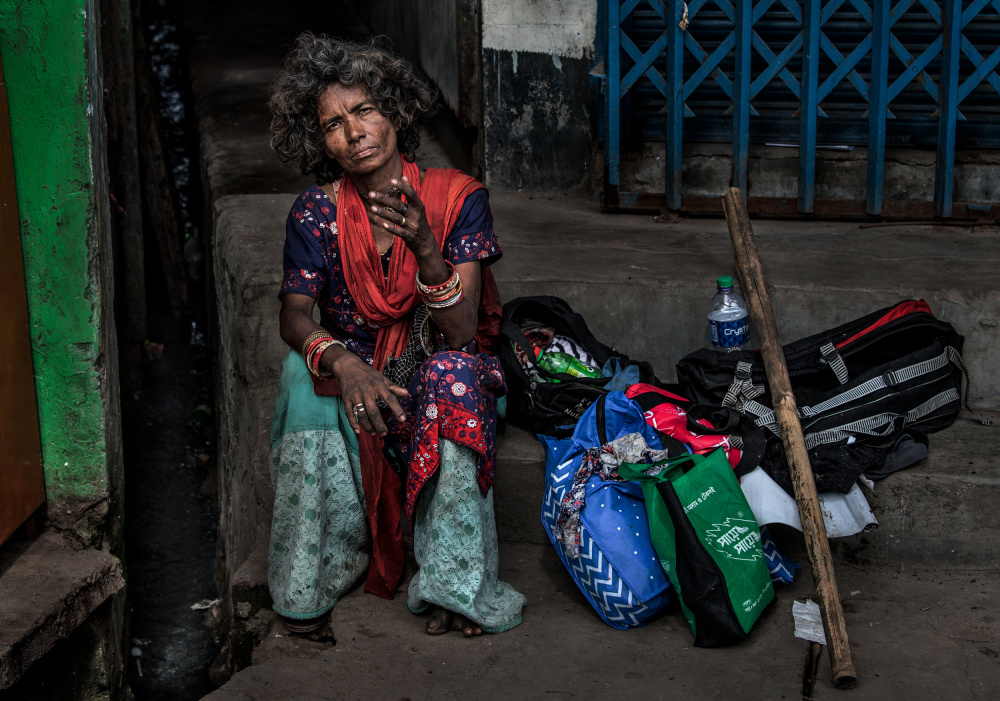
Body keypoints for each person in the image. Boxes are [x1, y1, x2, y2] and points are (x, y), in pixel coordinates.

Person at [265, 32, 525, 640]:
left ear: (394, 114)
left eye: (364, 111)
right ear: (319, 140)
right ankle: (317, 576)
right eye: (333, 123)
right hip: (361, 382)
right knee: (300, 374)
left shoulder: (457, 198)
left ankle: (456, 583)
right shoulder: (315, 212)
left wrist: (425, 247)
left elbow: (461, 334)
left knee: (455, 374)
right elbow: (294, 314)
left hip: (442, 374)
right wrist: (345, 363)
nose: (353, 132)